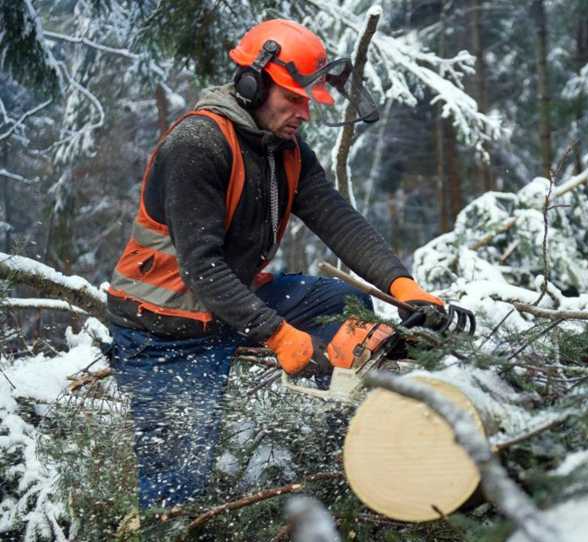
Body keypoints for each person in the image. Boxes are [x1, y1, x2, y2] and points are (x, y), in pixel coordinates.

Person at [106, 18, 463, 511]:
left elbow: (337, 219)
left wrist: (404, 286)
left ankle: (333, 439)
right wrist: (277, 334)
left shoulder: (283, 148)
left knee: (343, 304)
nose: (303, 113)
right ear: (252, 83)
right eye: (293, 99)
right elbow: (201, 268)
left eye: (307, 101)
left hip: (230, 303)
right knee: (178, 484)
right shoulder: (198, 146)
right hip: (164, 329)